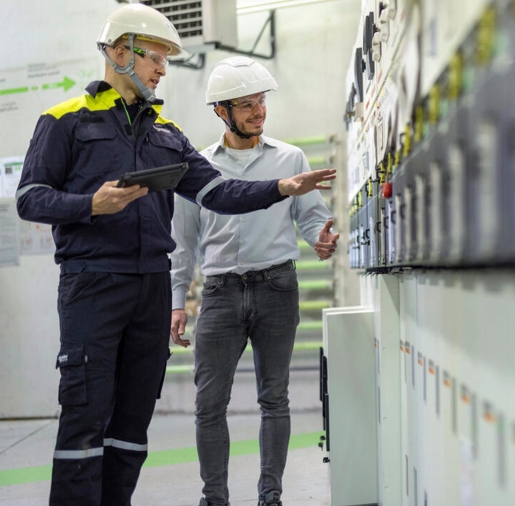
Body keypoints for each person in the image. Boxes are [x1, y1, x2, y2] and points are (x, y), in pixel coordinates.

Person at [14, 5, 336, 506]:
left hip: (148, 286)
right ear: (120, 53)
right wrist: (90, 205)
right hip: (92, 284)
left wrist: (280, 186)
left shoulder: (165, 133)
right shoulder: (64, 121)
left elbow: (220, 194)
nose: (163, 69)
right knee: (85, 414)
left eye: (166, 59)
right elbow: (30, 198)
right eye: (155, 57)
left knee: (132, 422)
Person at [168, 56, 339, 506]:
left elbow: (310, 219)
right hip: (220, 292)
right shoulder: (199, 169)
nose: (258, 111)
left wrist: (320, 241)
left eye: (260, 101)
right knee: (208, 406)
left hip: (277, 288)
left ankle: (271, 496)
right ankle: (215, 499)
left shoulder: (291, 158)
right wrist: (176, 301)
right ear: (221, 112)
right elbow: (183, 241)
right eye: (245, 104)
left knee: (274, 399)